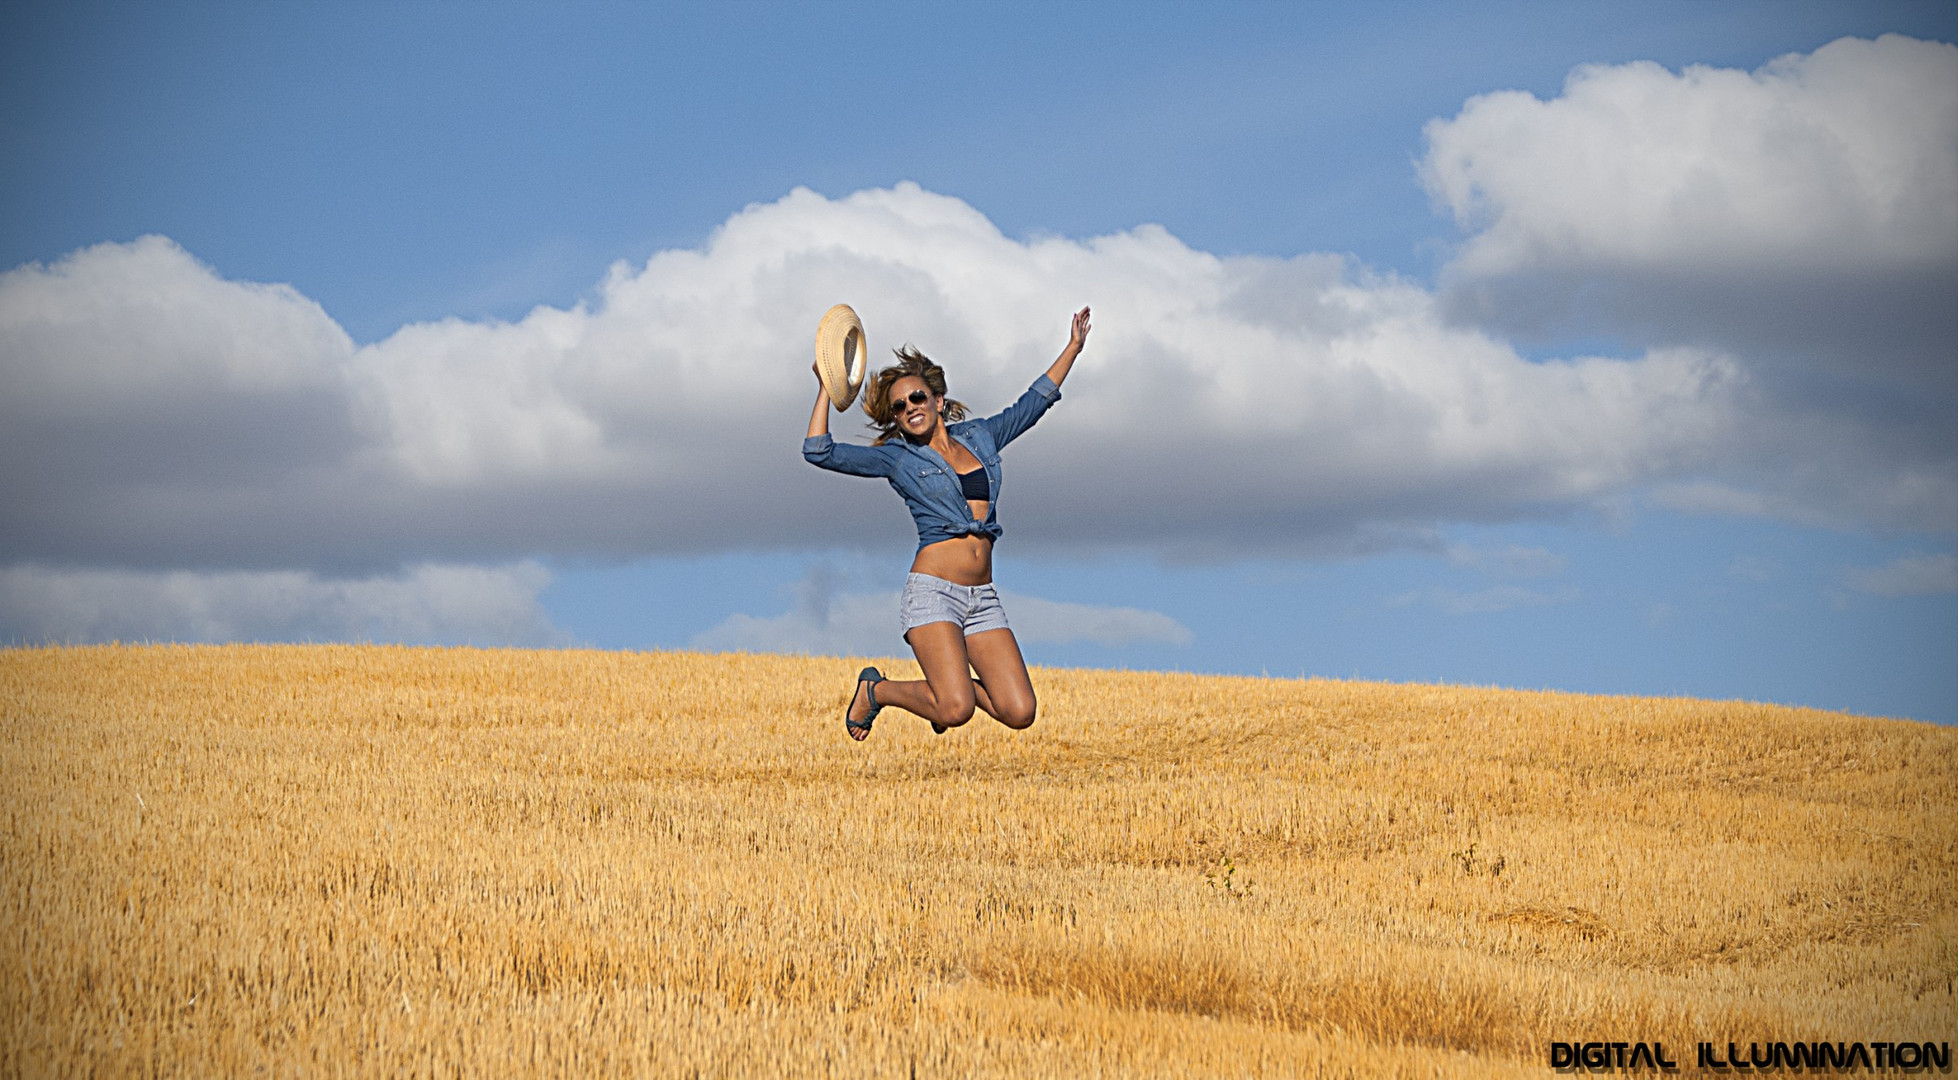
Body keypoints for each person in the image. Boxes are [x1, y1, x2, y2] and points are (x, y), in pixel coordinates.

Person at [803, 307, 1090, 740]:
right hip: (933, 594)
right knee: (956, 709)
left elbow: (1033, 404)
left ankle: (939, 692)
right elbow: (818, 450)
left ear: (938, 401)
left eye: (917, 398)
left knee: (1019, 711)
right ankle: (876, 691)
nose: (909, 408)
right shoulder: (897, 458)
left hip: (982, 596)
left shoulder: (981, 436)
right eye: (899, 407)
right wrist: (827, 386)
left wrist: (1072, 347)